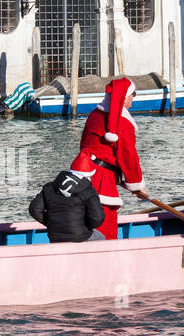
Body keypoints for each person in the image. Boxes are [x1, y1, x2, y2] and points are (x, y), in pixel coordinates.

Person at [78, 77, 148, 240]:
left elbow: (84, 145)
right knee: (105, 227)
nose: (133, 99)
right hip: (102, 182)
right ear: (125, 97)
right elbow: (128, 157)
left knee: (85, 220)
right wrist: (136, 185)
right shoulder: (123, 123)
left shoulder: (94, 114)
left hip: (83, 173)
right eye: (133, 94)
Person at [29, 153, 107, 242]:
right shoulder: (88, 190)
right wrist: (85, 226)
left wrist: (51, 223)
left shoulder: (50, 187)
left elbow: (34, 209)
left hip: (55, 236)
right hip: (80, 236)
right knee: (101, 238)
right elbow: (98, 218)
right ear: (88, 175)